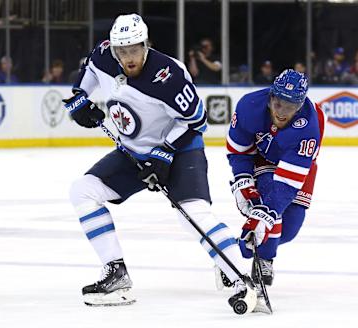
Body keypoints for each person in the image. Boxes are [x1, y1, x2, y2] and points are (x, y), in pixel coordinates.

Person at [63, 13, 257, 312]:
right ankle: (116, 274)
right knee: (83, 191)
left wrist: (164, 152)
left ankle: (235, 270)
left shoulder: (168, 75)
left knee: (192, 214)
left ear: (146, 44)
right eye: (122, 50)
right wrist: (79, 97)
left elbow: (196, 121)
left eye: (135, 49)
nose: (129, 57)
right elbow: (89, 66)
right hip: (133, 152)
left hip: (181, 151)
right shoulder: (105, 54)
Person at [225, 69, 325, 287]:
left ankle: (231, 252)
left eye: (290, 107)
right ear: (271, 96)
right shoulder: (249, 106)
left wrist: (264, 215)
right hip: (263, 159)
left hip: (297, 165)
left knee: (287, 231)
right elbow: (238, 151)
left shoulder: (310, 125)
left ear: (300, 105)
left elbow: (287, 184)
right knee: (269, 204)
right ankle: (265, 259)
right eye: (278, 103)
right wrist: (243, 180)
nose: (281, 112)